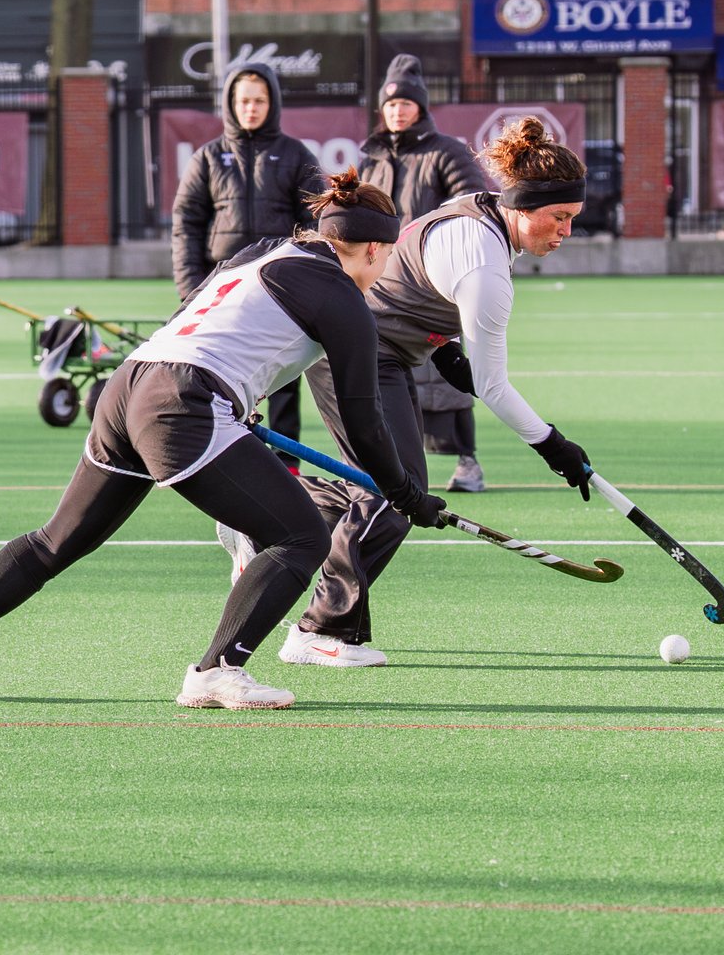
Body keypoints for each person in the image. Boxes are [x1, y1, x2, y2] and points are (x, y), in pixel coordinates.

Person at [0, 169, 446, 711]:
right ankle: (217, 671)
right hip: (183, 402)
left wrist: (235, 403)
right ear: (374, 249)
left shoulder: (262, 251)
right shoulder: (344, 296)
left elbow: (196, 317)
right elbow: (364, 420)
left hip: (131, 384)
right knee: (300, 537)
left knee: (57, 541)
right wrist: (407, 494)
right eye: (389, 255)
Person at [228, 116, 593, 668]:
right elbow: (492, 386)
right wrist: (553, 446)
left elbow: (419, 281)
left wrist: (443, 345)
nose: (565, 231)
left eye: (573, 219)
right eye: (559, 217)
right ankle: (319, 631)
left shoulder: (480, 208)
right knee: (396, 497)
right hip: (356, 351)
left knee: (381, 489)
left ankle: (258, 519)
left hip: (387, 352)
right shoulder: (486, 267)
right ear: (522, 205)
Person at [171, 62, 324, 474]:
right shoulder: (207, 157)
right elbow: (186, 224)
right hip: (221, 290)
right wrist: (191, 288)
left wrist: (305, 274)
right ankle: (232, 461)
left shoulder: (296, 154)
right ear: (230, 105)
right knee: (221, 376)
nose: (250, 108)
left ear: (272, 103)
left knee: (285, 376)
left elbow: (317, 220)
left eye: (259, 100)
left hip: (278, 287)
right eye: (243, 101)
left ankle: (288, 465)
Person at [361, 53, 489, 492]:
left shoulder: (446, 151)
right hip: (382, 284)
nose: (397, 111)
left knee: (446, 376)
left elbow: (473, 205)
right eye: (390, 104)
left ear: (421, 107)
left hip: (435, 283)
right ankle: (402, 464)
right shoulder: (371, 158)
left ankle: (468, 461)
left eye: (405, 104)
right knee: (389, 375)